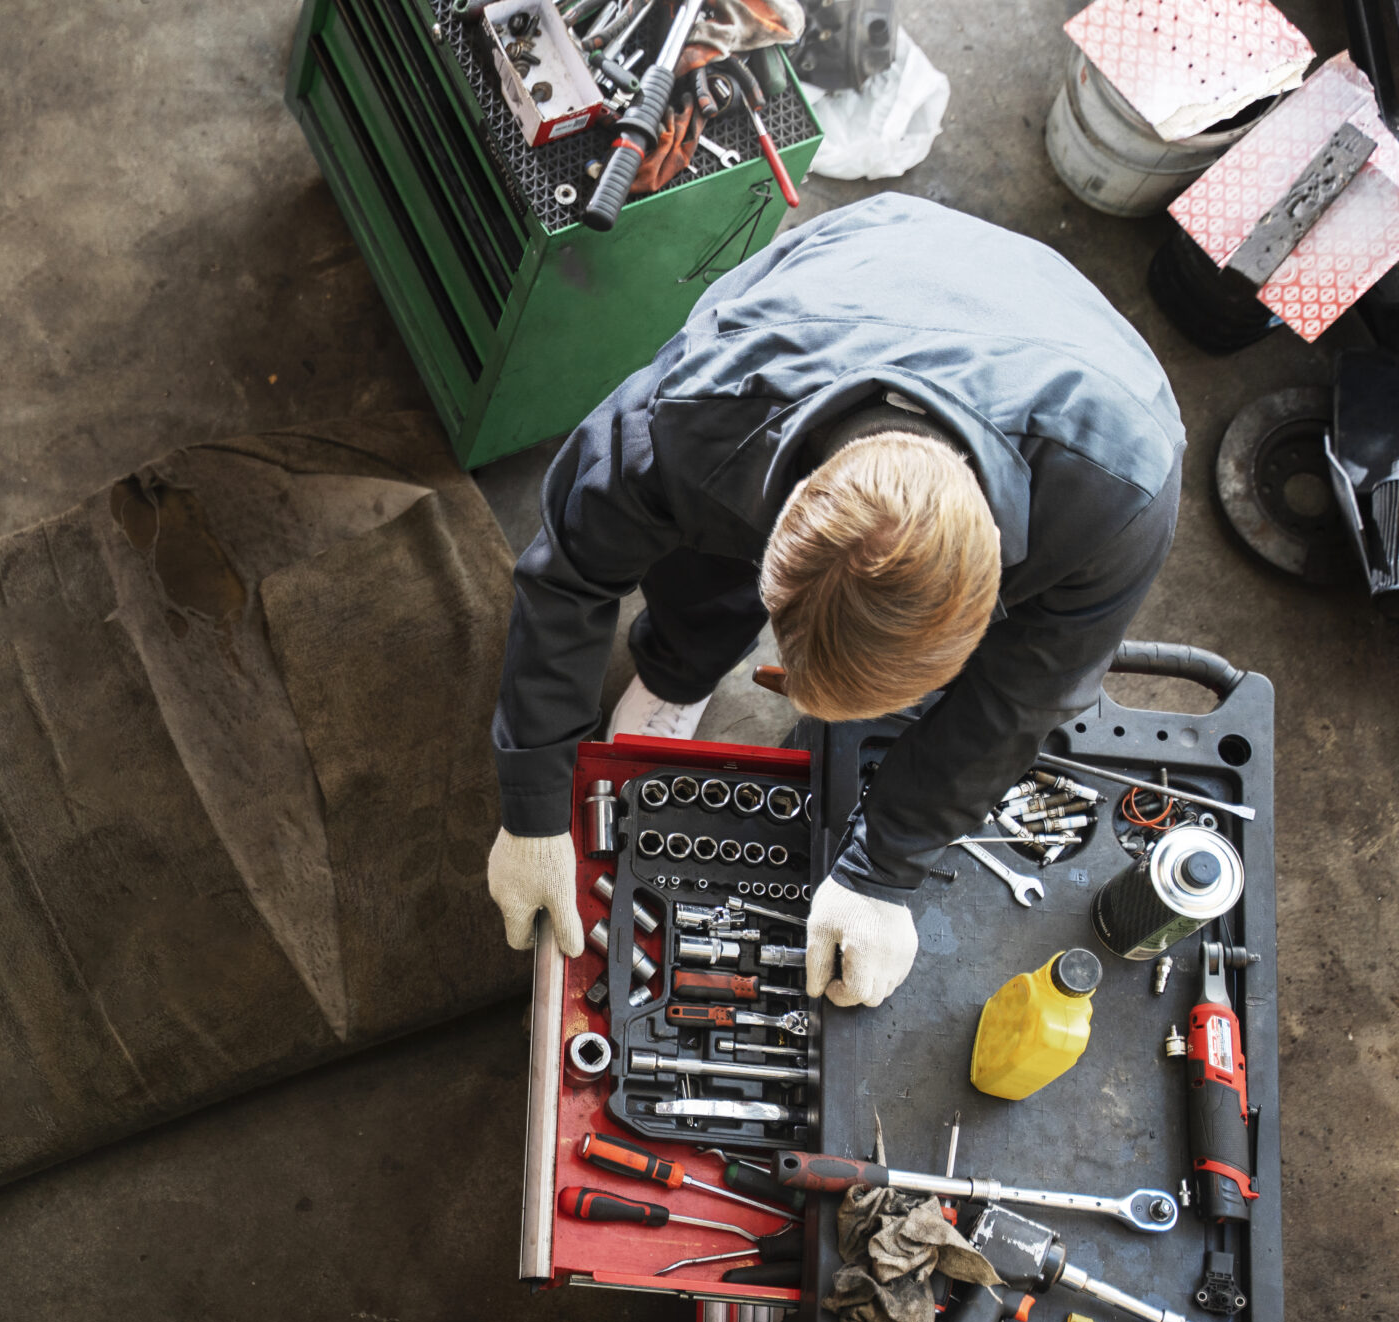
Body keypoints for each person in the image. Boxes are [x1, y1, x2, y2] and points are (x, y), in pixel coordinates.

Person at [484, 195, 1184, 1006]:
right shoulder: (696, 412)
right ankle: (680, 668)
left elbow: (1015, 702)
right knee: (697, 565)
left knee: (1025, 696)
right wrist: (534, 801)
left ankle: (693, 661)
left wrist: (883, 869)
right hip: (867, 263)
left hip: (1074, 355)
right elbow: (569, 570)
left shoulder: (1119, 502)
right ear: (780, 526)